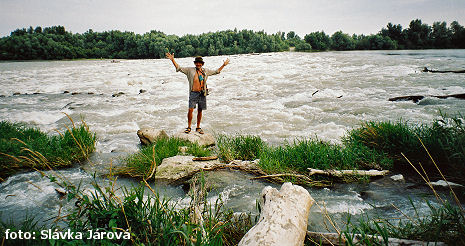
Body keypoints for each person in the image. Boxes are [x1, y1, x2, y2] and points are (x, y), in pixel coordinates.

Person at [166, 53, 229, 134]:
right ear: (195, 63)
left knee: (200, 110)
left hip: (202, 93)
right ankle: (189, 127)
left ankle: (198, 127)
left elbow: (216, 71)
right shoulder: (189, 70)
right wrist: (172, 60)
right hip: (193, 93)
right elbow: (179, 68)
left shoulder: (206, 71)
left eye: (200, 63)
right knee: (190, 110)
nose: (198, 64)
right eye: (197, 63)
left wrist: (223, 65)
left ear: (202, 64)